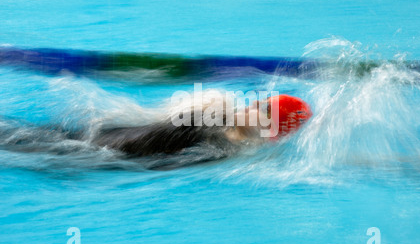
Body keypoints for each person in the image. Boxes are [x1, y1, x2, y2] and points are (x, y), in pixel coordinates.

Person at [94, 94, 312, 156]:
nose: (254, 102)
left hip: (98, 152)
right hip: (102, 145)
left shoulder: (217, 133)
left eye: (264, 108)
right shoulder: (224, 145)